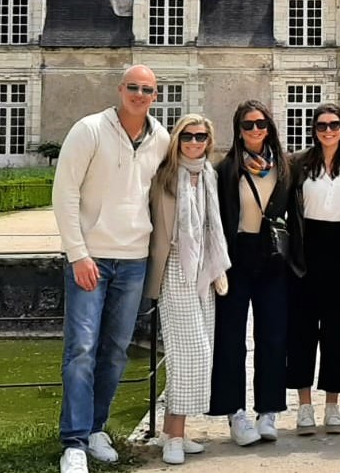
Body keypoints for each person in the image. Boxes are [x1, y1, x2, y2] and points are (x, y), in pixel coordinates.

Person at [52, 64, 170, 473]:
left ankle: (96, 428)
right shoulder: (89, 130)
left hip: (135, 260)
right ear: (120, 89)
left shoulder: (161, 139)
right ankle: (74, 441)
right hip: (92, 259)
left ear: (156, 95)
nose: (140, 95)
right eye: (133, 87)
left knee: (116, 351)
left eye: (148, 89)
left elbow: (168, 195)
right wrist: (77, 254)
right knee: (81, 349)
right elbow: (64, 193)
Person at [146, 114, 232, 465]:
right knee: (189, 354)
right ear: (177, 139)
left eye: (201, 137)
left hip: (205, 272)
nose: (194, 143)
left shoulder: (210, 176)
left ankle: (174, 430)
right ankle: (175, 439)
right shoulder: (163, 177)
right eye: (188, 136)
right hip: (175, 271)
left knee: (201, 353)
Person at [207, 101, 293, 447]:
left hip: (273, 258)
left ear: (269, 127)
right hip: (237, 257)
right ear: (238, 129)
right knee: (230, 338)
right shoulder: (226, 170)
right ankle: (235, 412)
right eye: (248, 125)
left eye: (260, 124)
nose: (255, 130)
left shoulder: (285, 168)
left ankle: (268, 410)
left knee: (273, 337)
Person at [286, 103, 340, 434]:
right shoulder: (299, 164)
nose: (328, 131)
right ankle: (304, 406)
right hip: (307, 252)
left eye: (334, 125)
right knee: (302, 331)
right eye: (322, 125)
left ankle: (332, 405)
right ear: (314, 130)